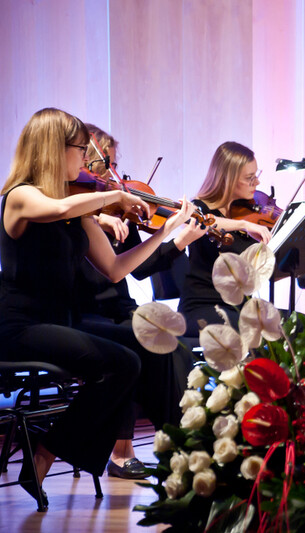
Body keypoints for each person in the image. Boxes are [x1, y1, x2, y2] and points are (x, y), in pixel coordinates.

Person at [0, 107, 192, 503]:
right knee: (121, 363)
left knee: (146, 348)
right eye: (79, 149)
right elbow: (54, 209)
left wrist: (164, 235)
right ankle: (43, 457)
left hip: (63, 322)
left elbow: (116, 269)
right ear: (54, 149)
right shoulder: (19, 196)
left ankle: (184, 455)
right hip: (20, 325)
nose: (86, 160)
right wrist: (113, 195)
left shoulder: (78, 205)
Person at [73, 125, 206, 478]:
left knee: (175, 346)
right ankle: (124, 450)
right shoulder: (73, 209)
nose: (116, 176)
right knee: (144, 344)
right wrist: (97, 216)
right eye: (109, 164)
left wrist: (176, 238)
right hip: (86, 307)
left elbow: (141, 266)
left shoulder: (119, 205)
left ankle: (184, 440)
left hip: (118, 305)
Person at [178, 142, 274, 336]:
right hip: (203, 307)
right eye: (249, 178)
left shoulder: (246, 211)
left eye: (256, 175)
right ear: (228, 179)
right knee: (258, 330)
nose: (257, 183)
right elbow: (203, 221)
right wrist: (244, 225)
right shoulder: (199, 209)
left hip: (239, 309)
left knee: (298, 325)